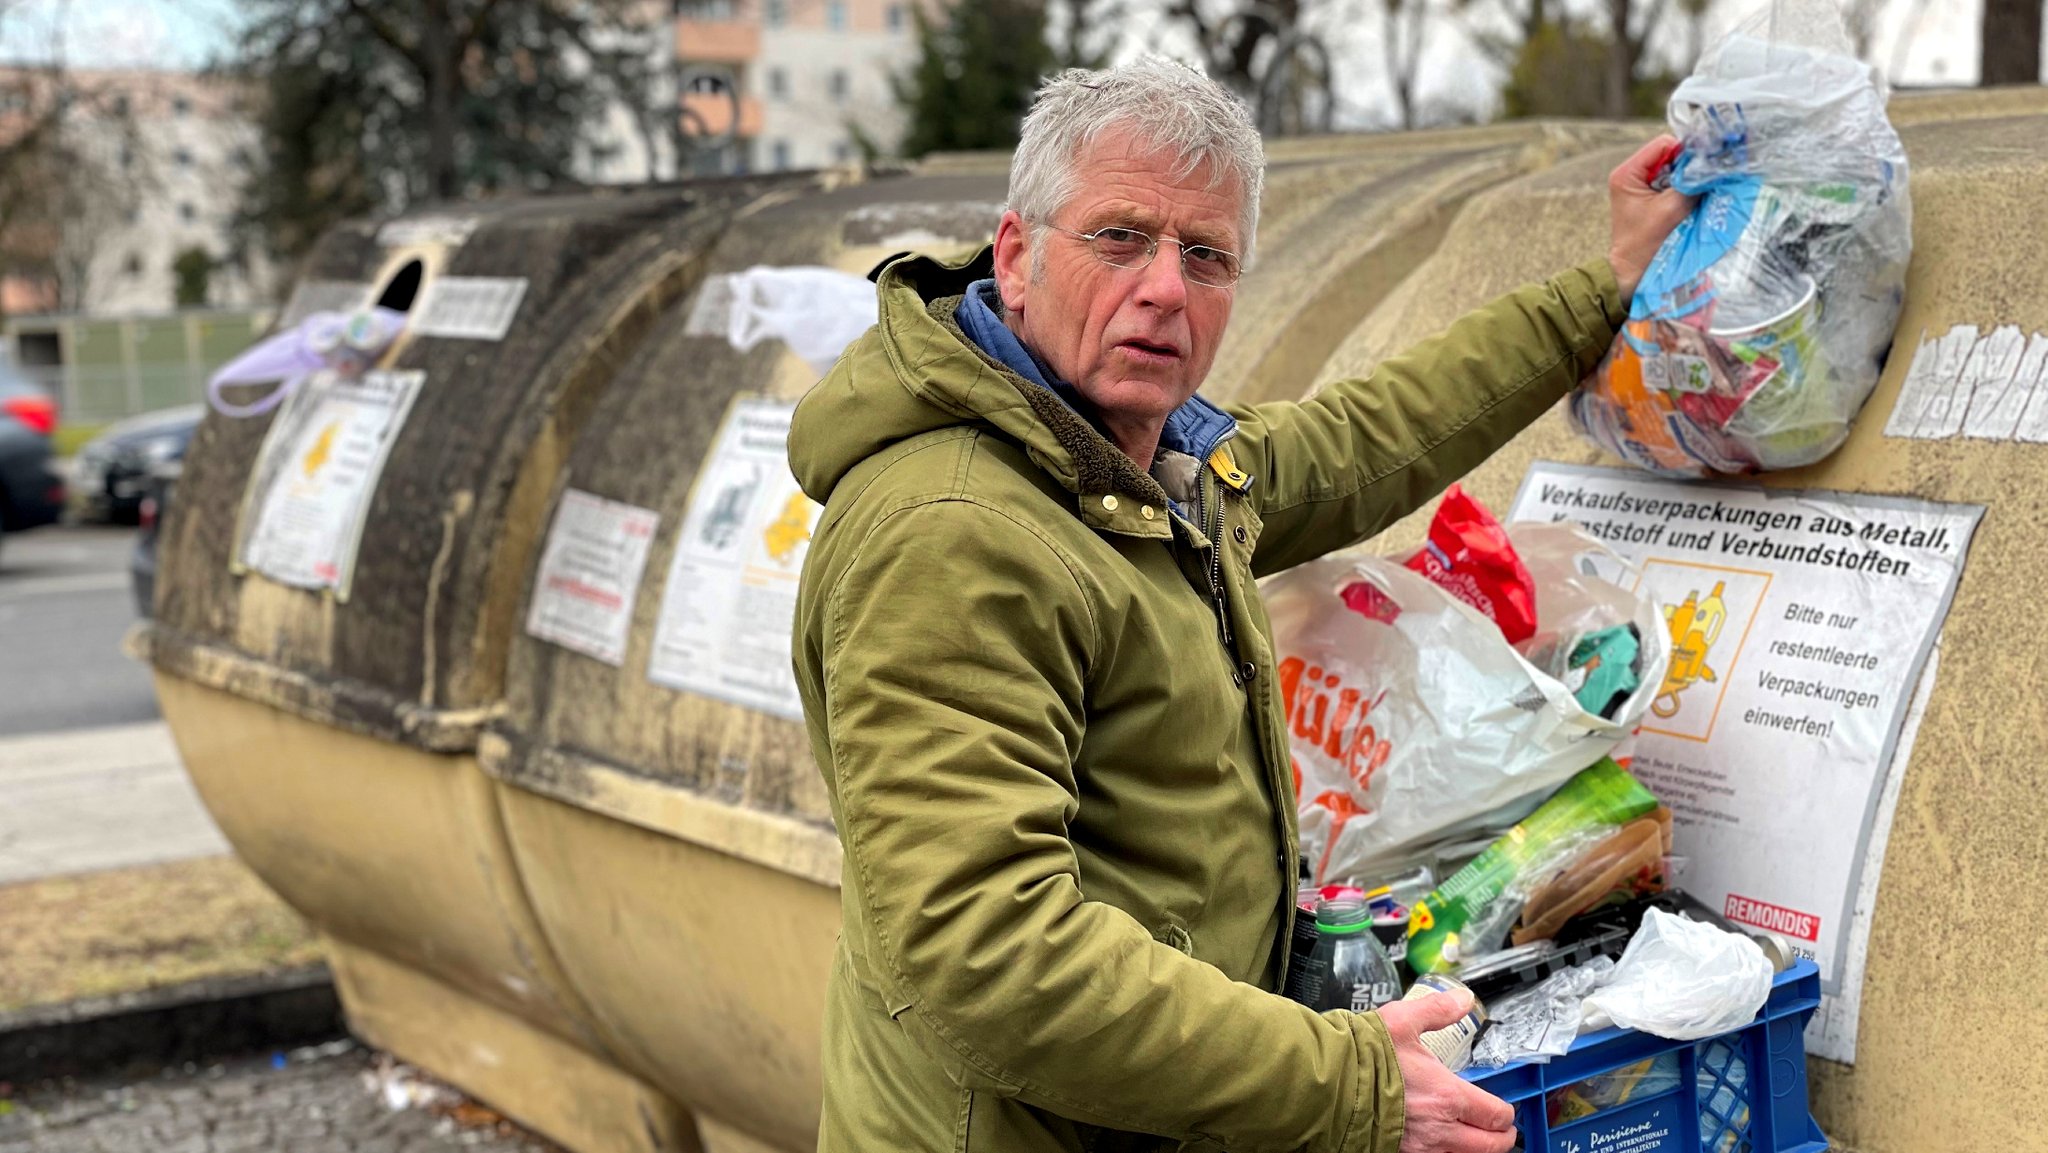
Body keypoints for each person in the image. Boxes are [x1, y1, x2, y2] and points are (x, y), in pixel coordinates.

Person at [788, 58, 1691, 1153]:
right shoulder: (953, 530)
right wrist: (1348, 1084)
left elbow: (1370, 436)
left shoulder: (1143, 470)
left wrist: (1603, 290)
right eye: (1119, 237)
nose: (1165, 287)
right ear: (1017, 258)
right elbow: (987, 950)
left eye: (1205, 255)